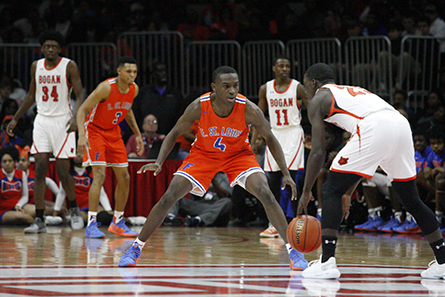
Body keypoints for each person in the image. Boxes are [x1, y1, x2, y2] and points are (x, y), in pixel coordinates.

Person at [118, 66, 308, 271]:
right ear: (214, 87)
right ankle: (136, 248)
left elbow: (270, 137)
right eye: (226, 87)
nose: (232, 91)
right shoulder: (199, 105)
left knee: (265, 193)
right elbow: (174, 133)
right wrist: (159, 161)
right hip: (203, 155)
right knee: (169, 196)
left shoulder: (248, 108)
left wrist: (286, 173)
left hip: (238, 156)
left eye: (235, 86)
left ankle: (294, 252)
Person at [297, 62, 445, 279]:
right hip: (401, 124)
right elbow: (364, 159)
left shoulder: (318, 98)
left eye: (305, 86)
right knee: (411, 199)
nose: (305, 91)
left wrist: (306, 190)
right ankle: (443, 262)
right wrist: (348, 191)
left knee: (330, 190)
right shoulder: (351, 91)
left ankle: (326, 261)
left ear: (313, 82)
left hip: (374, 126)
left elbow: (318, 151)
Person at [6, 30, 85, 233]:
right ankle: (40, 219)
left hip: (63, 121)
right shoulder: (36, 66)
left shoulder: (69, 65)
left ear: (60, 49)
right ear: (42, 48)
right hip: (42, 120)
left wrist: (76, 118)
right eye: (47, 46)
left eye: (54, 46)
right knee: (39, 168)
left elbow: (80, 92)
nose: (50, 49)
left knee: (62, 171)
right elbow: (32, 94)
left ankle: (74, 209)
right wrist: (16, 118)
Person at [77, 56, 143, 238]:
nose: (132, 75)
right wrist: (82, 136)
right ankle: (91, 224)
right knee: (99, 175)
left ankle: (118, 222)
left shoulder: (134, 89)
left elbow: (127, 110)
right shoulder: (106, 87)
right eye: (128, 71)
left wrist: (137, 134)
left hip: (114, 133)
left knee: (125, 177)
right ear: (119, 71)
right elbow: (82, 109)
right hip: (95, 131)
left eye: (135, 72)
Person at [253, 56, 307, 238]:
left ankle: (296, 222)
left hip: (292, 133)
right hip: (274, 133)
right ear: (274, 68)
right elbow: (259, 116)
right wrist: (254, 139)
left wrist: (315, 134)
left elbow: (311, 109)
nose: (284, 69)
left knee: (291, 178)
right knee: (273, 180)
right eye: (281, 66)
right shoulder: (265, 89)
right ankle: (274, 224)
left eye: (287, 66)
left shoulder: (297, 87)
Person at [53, 153, 113, 225]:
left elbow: (101, 193)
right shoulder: (68, 175)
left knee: (104, 217)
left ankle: (125, 220)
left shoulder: (92, 173)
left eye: (82, 153)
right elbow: (62, 193)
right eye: (76, 153)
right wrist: (56, 211)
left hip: (92, 205)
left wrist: (108, 210)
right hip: (78, 207)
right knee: (82, 220)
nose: (78, 155)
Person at [132, 62, 184, 135]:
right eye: (160, 71)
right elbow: (136, 114)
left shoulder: (175, 93)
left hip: (169, 137)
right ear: (153, 74)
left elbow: (180, 116)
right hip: (147, 138)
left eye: (165, 71)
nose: (163, 73)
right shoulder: (144, 92)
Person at [164, 172, 233, 227]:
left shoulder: (226, 177)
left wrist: (213, 180)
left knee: (227, 202)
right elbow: (194, 194)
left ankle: (198, 220)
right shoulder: (203, 174)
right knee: (177, 197)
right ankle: (170, 218)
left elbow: (225, 195)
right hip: (201, 204)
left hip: (215, 206)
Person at [15, 145, 61, 224]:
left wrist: (59, 195)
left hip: (35, 201)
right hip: (23, 203)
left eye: (23, 160)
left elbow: (49, 182)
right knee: (40, 210)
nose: (21, 163)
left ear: (29, 162)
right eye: (19, 161)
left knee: (60, 208)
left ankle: (67, 218)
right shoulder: (15, 175)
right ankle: (45, 220)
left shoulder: (34, 175)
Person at [0, 146, 33, 225]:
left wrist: (19, 205)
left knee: (35, 210)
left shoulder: (21, 174)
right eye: (4, 161)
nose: (7, 164)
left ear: (15, 162)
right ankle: (41, 224)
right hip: (3, 210)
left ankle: (44, 220)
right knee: (22, 217)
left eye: (10, 161)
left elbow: (25, 196)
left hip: (18, 205)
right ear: (1, 163)